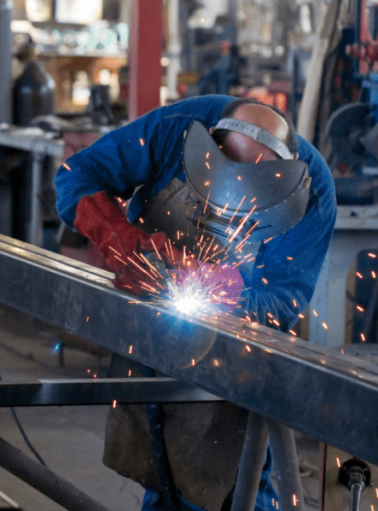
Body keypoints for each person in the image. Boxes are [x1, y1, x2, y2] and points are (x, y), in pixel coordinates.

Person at [54, 95, 336, 511]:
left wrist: (228, 292)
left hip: (237, 354)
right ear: (210, 147)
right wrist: (123, 243)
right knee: (160, 459)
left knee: (234, 477)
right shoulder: (174, 127)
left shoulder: (312, 191)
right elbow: (76, 175)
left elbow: (285, 299)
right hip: (152, 321)